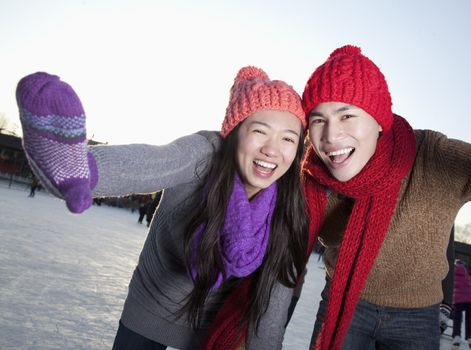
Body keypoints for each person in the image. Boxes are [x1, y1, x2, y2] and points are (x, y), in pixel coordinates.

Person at [16, 67, 309, 350]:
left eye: (288, 138)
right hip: (151, 307)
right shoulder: (206, 153)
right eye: (261, 131)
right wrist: (85, 169)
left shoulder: (289, 204)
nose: (272, 149)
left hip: (214, 324)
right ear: (234, 133)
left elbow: (271, 309)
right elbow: (150, 163)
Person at [297, 45, 471, 349]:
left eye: (347, 115)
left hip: (416, 317)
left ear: (379, 120)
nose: (330, 135)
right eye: (318, 119)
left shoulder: (432, 156)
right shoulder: (310, 173)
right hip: (343, 303)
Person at [451, 259, 471, 349]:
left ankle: (457, 337)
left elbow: (451, 287)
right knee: (469, 319)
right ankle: (470, 338)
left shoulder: (452, 273)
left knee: (457, 319)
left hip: (459, 300)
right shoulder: (467, 274)